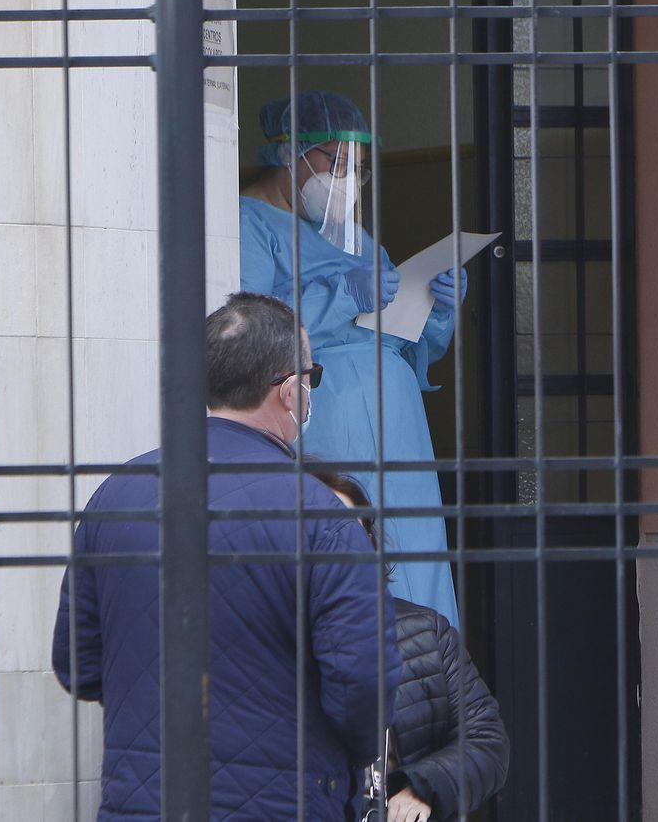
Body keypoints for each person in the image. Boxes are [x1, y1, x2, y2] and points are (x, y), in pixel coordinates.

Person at [51, 292, 402, 819]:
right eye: (313, 378)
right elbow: (363, 684)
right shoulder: (318, 515)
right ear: (290, 391)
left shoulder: (117, 494)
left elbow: (77, 664)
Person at [240, 89, 465, 624]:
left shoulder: (356, 239)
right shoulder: (246, 223)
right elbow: (249, 329)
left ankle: (429, 684)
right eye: (336, 162)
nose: (347, 180)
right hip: (326, 417)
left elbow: (392, 336)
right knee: (347, 551)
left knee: (417, 554)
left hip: (398, 428)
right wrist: (342, 295)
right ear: (287, 150)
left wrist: (432, 308)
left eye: (359, 169)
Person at [315, 471, 510, 822]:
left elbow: (487, 742)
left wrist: (424, 786)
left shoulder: (425, 633)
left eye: (353, 534)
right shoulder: (264, 639)